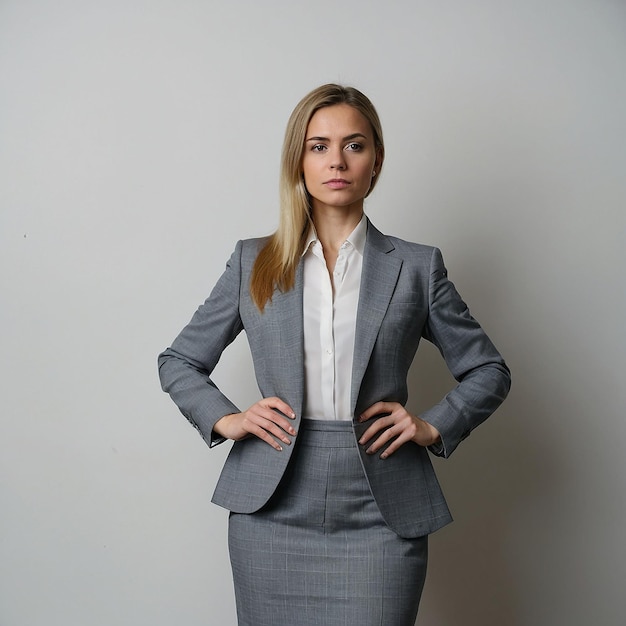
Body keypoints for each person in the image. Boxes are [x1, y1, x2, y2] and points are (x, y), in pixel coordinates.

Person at [158, 84, 511, 626]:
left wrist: (433, 425)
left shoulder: (416, 267)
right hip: (271, 507)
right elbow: (179, 360)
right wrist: (227, 418)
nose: (337, 161)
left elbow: (487, 370)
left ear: (376, 160)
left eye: (354, 145)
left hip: (381, 507)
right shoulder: (253, 261)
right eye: (318, 146)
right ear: (297, 160)